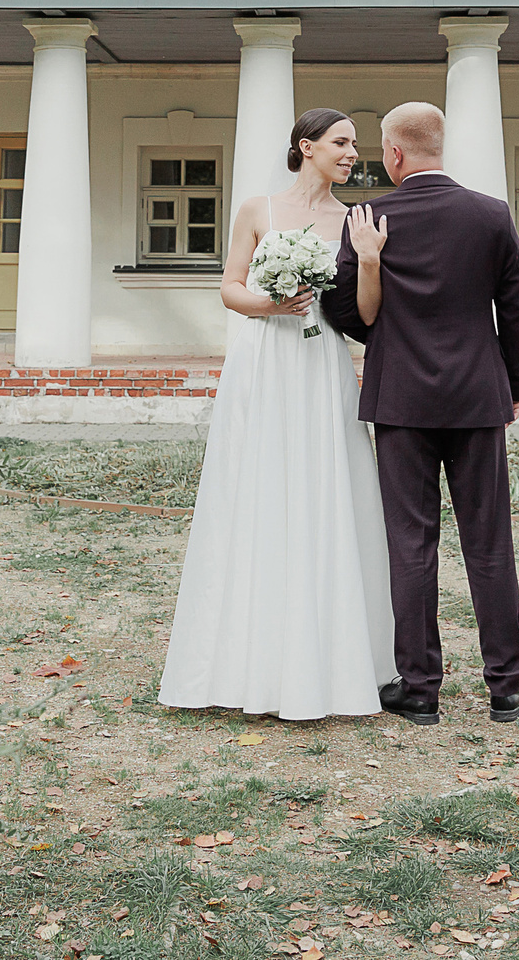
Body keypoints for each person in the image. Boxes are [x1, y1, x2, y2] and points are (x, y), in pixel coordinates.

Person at [157, 108, 397, 719]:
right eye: (342, 142)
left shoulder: (355, 220)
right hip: (264, 360)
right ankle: (246, 662)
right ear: (306, 146)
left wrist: (370, 261)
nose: (353, 154)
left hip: (322, 362)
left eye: (355, 145)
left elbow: (366, 313)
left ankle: (334, 657)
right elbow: (230, 287)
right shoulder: (257, 209)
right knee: (258, 487)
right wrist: (271, 304)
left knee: (325, 487)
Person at [321, 101, 519, 726]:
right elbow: (515, 308)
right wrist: (511, 385)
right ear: (440, 146)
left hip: (401, 400)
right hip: (476, 397)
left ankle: (419, 689)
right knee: (489, 542)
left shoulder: (368, 217)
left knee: (410, 542)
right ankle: (506, 686)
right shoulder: (491, 214)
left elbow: (342, 308)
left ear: (394, 153)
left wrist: (389, 337)